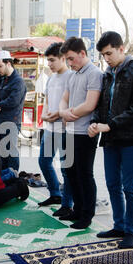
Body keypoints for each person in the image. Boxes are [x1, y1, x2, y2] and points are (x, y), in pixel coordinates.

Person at [89, 31, 133, 248]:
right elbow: (102, 105)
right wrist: (95, 122)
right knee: (113, 184)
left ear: (121, 48)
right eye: (104, 55)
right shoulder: (108, 74)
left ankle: (130, 231)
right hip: (110, 137)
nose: (106, 58)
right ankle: (119, 224)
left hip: (131, 138)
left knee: (129, 186)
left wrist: (110, 125)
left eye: (109, 53)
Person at [58, 37, 103, 230]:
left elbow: (90, 104)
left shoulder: (94, 73)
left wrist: (70, 113)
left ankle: (87, 215)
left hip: (85, 132)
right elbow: (64, 99)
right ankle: (77, 209)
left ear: (82, 54)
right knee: (70, 171)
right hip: (69, 130)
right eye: (67, 59)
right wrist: (62, 112)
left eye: (71, 58)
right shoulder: (72, 75)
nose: (69, 63)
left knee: (84, 174)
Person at [37, 42, 73, 218]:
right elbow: (47, 100)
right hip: (50, 127)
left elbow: (73, 104)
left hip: (66, 129)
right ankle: (55, 194)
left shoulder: (71, 76)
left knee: (67, 168)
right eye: (48, 61)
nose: (49, 64)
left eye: (52, 60)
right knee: (44, 161)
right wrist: (44, 115)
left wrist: (58, 113)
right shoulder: (51, 78)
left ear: (63, 58)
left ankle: (68, 204)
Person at [0, 51, 27, 171]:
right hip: (0, 121)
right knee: (1, 154)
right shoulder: (4, 79)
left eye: (0, 66)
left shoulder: (18, 82)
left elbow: (13, 101)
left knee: (11, 154)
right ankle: (4, 179)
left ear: (8, 63)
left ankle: (13, 178)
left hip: (11, 122)